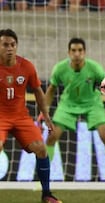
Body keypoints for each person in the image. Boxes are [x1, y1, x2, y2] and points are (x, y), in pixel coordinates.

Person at [40, 37, 105, 179]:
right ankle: (43, 180)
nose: (77, 53)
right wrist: (44, 111)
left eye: (80, 50)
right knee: (51, 137)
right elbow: (51, 90)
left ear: (84, 52)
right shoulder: (60, 68)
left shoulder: (95, 68)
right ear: (68, 53)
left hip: (92, 104)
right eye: (73, 50)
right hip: (67, 104)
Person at [0, 29, 62, 203]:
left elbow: (37, 91)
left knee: (41, 149)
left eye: (13, 45)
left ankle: (47, 194)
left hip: (21, 117)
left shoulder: (26, 66)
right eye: (5, 44)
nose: (10, 48)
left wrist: (46, 116)